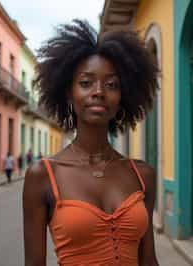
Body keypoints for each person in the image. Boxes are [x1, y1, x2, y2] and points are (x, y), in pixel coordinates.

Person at [23, 19, 159, 266]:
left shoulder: (142, 175)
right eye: (86, 83)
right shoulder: (42, 176)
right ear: (68, 93)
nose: (98, 91)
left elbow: (148, 260)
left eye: (111, 85)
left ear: (122, 97)